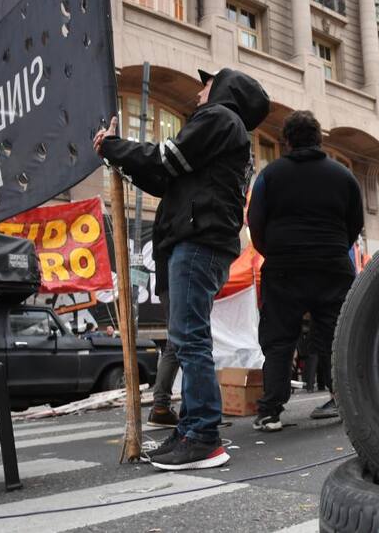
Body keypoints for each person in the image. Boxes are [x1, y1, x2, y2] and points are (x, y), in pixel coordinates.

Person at [94, 68, 269, 470]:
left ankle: (203, 436)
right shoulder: (227, 129)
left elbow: (165, 158)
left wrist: (114, 146)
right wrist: (118, 155)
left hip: (198, 240)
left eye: (206, 85)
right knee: (187, 337)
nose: (198, 93)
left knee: (190, 339)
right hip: (200, 239)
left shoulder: (218, 118)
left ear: (225, 89)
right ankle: (191, 429)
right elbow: (165, 178)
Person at [247, 110, 363, 431]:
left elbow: (255, 222)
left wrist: (273, 251)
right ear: (319, 138)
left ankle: (270, 411)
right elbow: (355, 224)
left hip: (284, 267)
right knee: (335, 336)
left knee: (279, 339)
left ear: (286, 140)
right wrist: (335, 246)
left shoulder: (270, 175)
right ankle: (343, 399)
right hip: (332, 266)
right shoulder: (343, 176)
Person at [147, 259, 179, 428]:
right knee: (185, 340)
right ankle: (197, 410)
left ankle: (161, 406)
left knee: (178, 342)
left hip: (169, 280)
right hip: (177, 279)